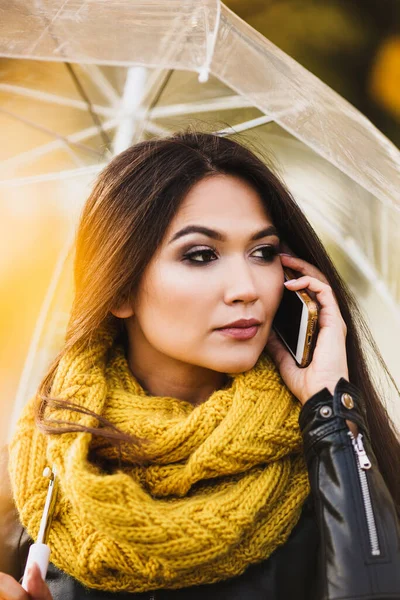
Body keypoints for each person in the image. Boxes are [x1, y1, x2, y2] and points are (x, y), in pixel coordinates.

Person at [0, 130, 399, 600]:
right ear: (120, 289)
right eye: (201, 255)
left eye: (264, 252)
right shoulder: (36, 476)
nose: (247, 286)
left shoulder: (335, 463)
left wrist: (332, 409)